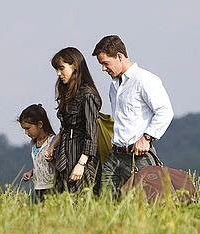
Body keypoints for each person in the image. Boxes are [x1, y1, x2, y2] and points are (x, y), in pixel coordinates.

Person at [92, 34, 174, 195]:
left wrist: (147, 137)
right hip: (114, 155)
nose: (103, 68)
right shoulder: (113, 87)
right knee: (105, 205)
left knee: (150, 204)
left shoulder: (145, 80)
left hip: (139, 157)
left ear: (119, 56)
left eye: (105, 63)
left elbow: (165, 111)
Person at [49, 46, 102, 193]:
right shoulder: (67, 93)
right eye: (57, 70)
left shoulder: (88, 95)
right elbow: (66, 127)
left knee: (82, 200)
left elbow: (91, 133)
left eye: (61, 68)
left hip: (82, 156)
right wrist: (53, 145)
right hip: (65, 154)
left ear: (74, 65)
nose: (59, 74)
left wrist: (82, 163)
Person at [18, 104, 56, 203]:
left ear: (40, 124)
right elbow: (41, 164)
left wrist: (53, 160)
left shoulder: (52, 142)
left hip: (52, 188)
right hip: (38, 187)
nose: (26, 133)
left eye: (28, 128)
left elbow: (58, 165)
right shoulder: (33, 144)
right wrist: (31, 172)